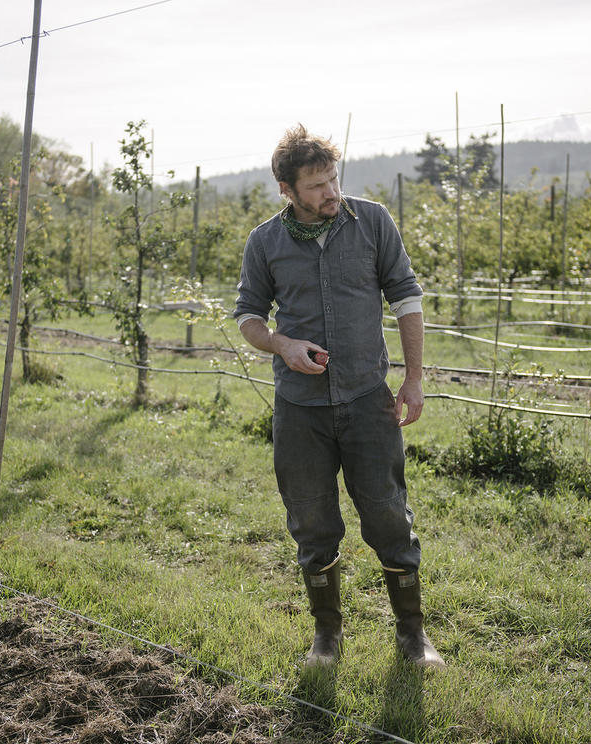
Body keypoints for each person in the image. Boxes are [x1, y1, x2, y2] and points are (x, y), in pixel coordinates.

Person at [233, 124, 444, 669]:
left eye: (334, 179)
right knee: (311, 519)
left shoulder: (371, 220)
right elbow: (249, 317)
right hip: (300, 408)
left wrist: (414, 378)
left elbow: (406, 296)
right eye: (318, 186)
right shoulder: (265, 242)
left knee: (388, 515)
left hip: (367, 402)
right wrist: (281, 344)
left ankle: (412, 636)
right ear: (288, 190)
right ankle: (327, 636)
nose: (332, 192)